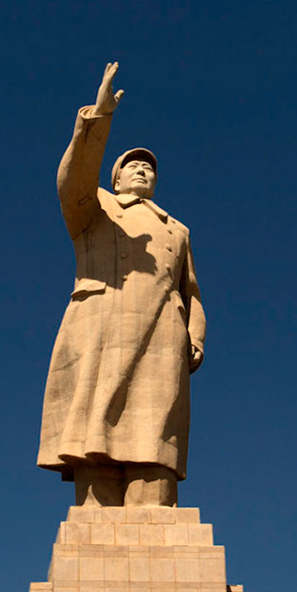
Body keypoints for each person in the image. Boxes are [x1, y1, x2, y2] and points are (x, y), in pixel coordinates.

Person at [38, 63, 205, 506]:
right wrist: (100, 116)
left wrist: (195, 336)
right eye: (131, 165)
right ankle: (97, 512)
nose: (141, 172)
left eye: (148, 169)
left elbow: (192, 294)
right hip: (103, 326)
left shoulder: (178, 230)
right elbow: (73, 178)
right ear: (113, 178)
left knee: (156, 428)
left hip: (161, 335)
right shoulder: (96, 209)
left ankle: (153, 504)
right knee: (96, 428)